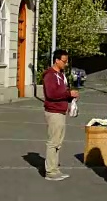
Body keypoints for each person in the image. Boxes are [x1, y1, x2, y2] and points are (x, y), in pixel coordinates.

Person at [43, 49, 79, 181]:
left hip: (61, 110)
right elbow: (51, 94)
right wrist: (68, 94)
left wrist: (70, 97)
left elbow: (62, 92)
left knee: (58, 141)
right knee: (53, 141)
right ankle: (50, 171)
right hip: (54, 111)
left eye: (67, 61)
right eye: (64, 61)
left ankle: (54, 168)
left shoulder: (61, 74)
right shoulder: (50, 75)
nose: (66, 63)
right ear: (57, 60)